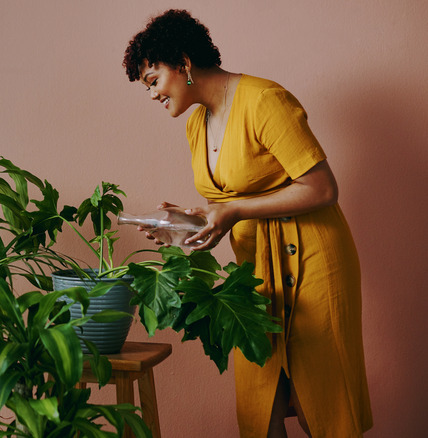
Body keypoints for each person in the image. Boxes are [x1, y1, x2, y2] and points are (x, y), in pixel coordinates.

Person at [122, 9, 373, 438]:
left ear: (183, 63)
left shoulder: (264, 100)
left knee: (323, 403)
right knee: (263, 405)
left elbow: (322, 189)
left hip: (312, 262)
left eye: (152, 80)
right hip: (255, 272)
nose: (151, 95)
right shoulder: (197, 124)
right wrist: (189, 221)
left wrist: (233, 211)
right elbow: (226, 204)